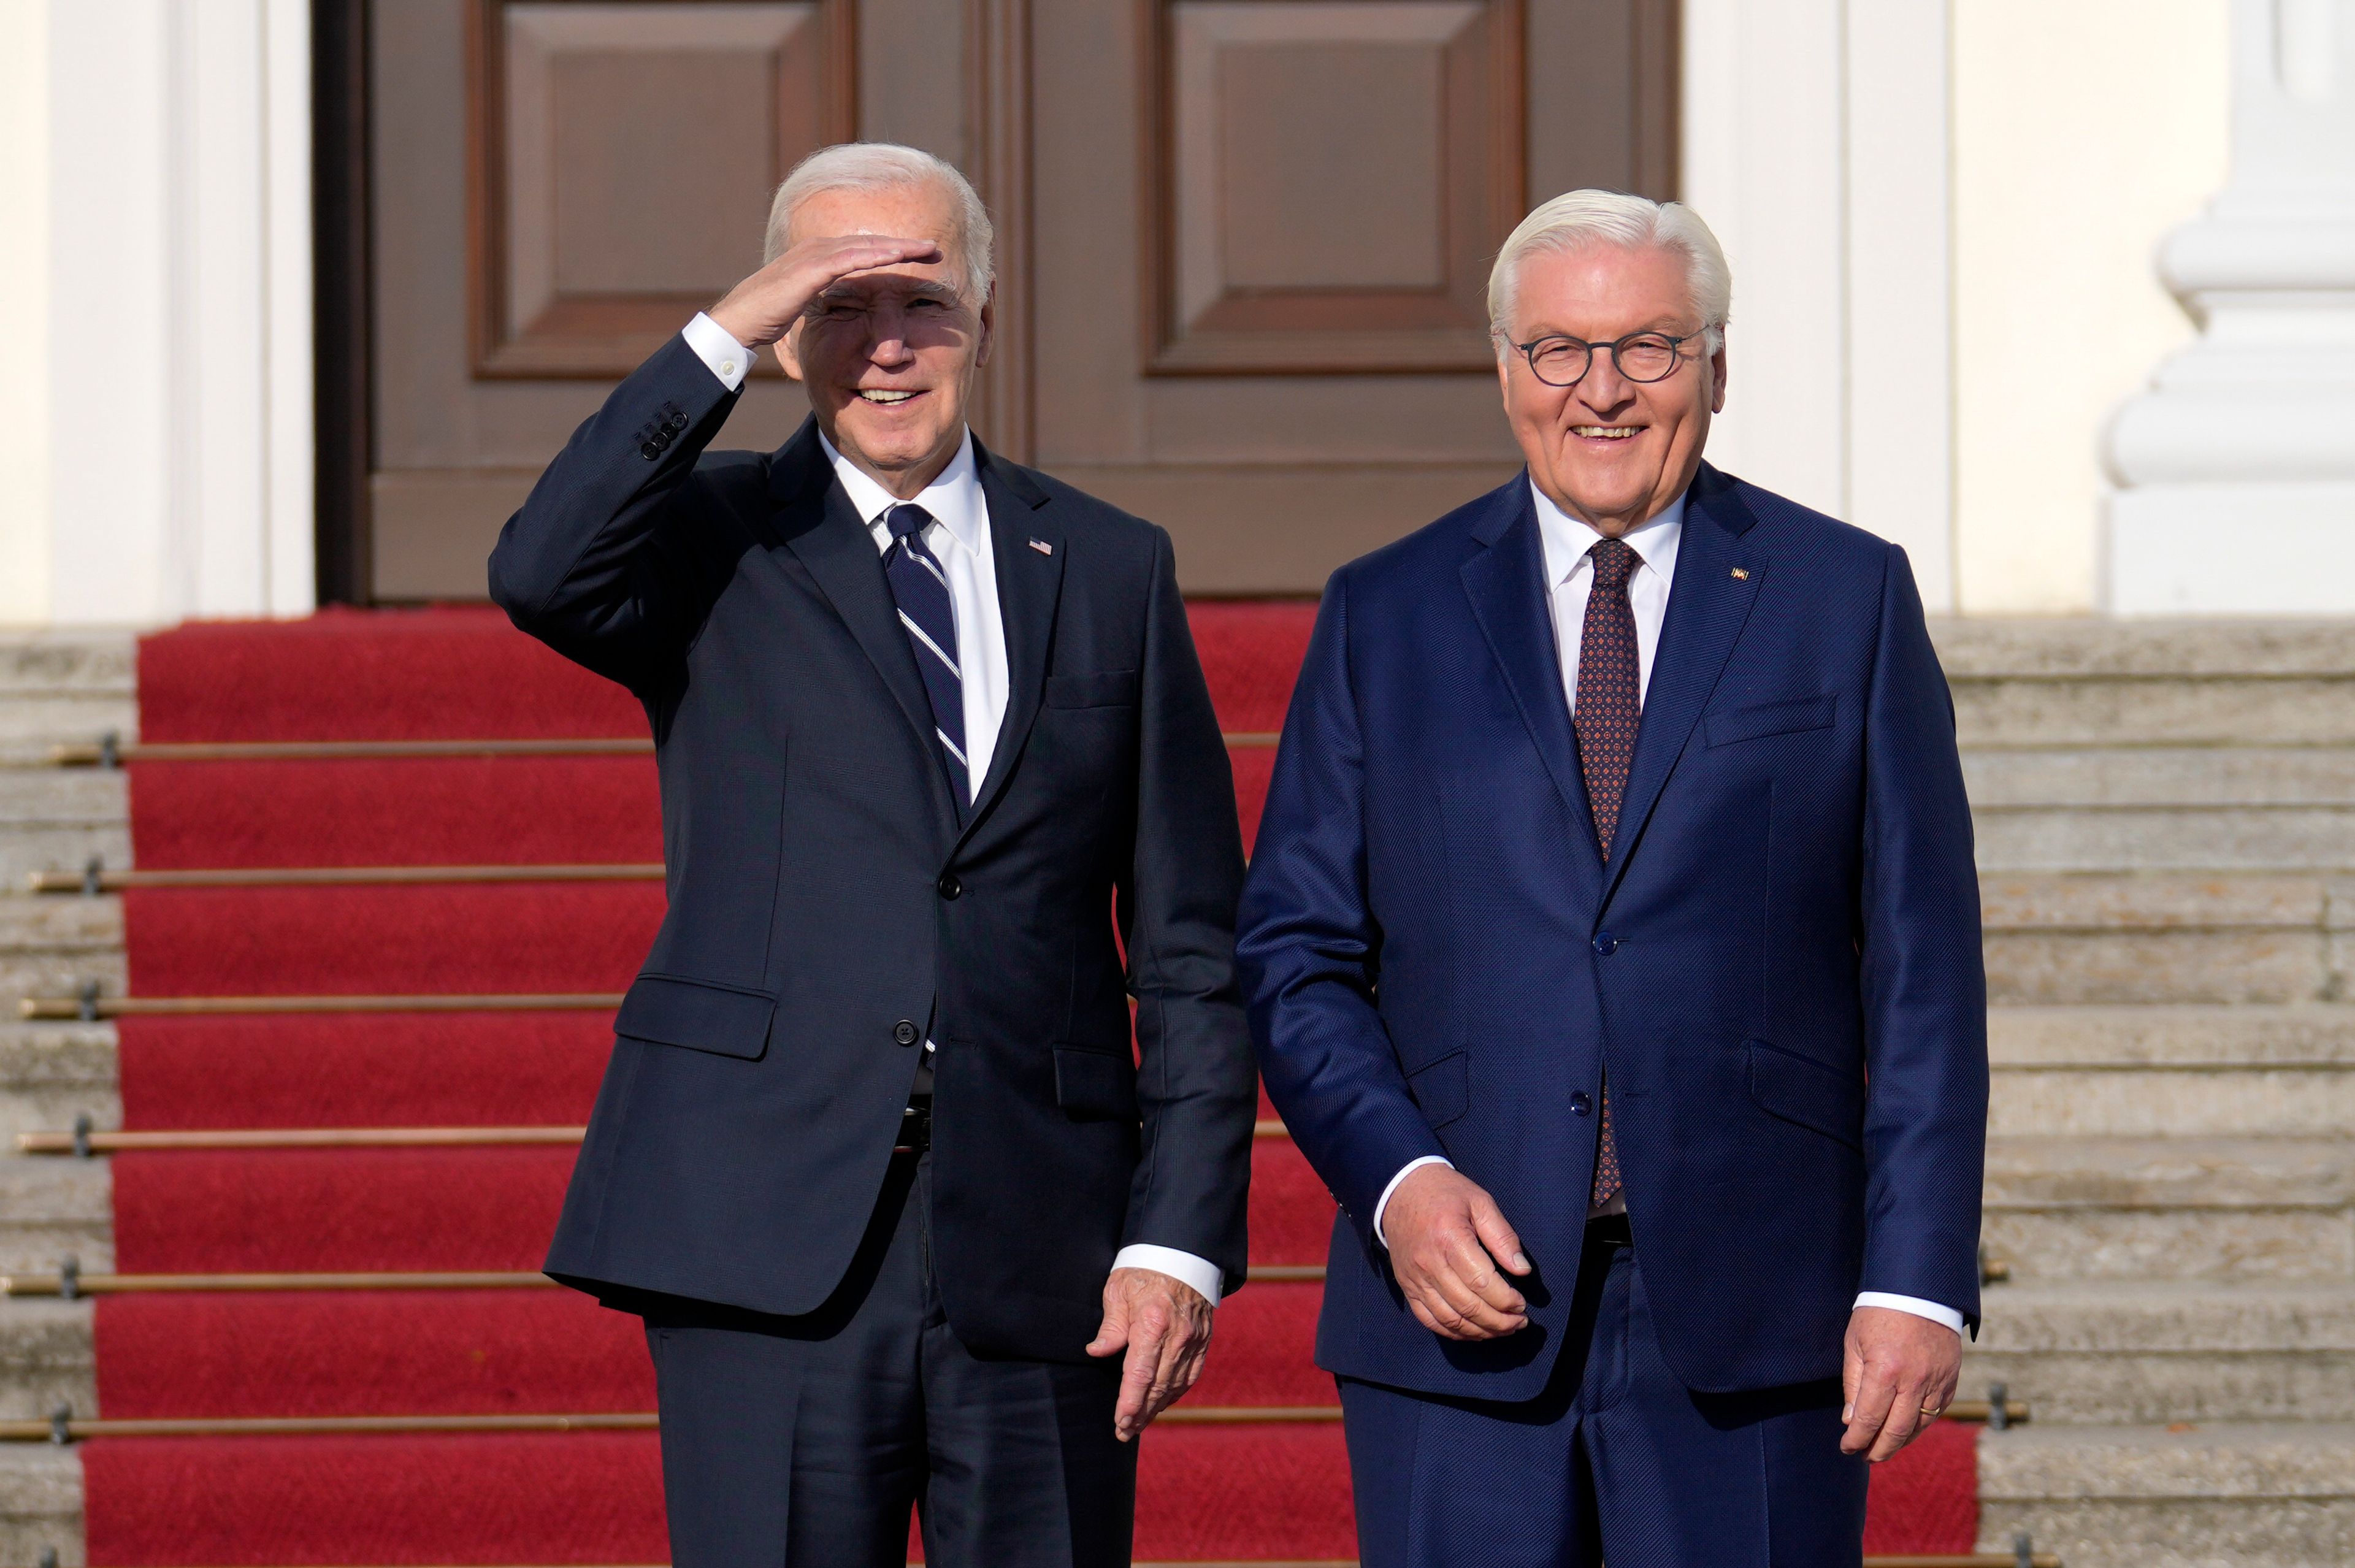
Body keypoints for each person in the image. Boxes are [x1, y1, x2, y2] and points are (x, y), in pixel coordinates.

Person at [489, 142, 1255, 1568]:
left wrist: (1179, 1240)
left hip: (1044, 1255)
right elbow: (542, 570)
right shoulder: (714, 538)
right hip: (760, 1241)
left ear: (984, 314)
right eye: (842, 306)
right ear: (787, 333)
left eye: (925, 301)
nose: (888, 349)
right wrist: (727, 325)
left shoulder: (1108, 564)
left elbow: (1195, 945)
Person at [1236, 189, 1988, 1567]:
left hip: (1760, 1326)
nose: (1603, 391)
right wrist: (1399, 1182)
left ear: (1716, 366)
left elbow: (1925, 976)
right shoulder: (1383, 612)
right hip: (1456, 1321)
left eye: (1649, 346)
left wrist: (1918, 1277)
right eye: (1558, 351)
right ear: (1506, 372)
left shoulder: (1845, 597)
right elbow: (1293, 952)